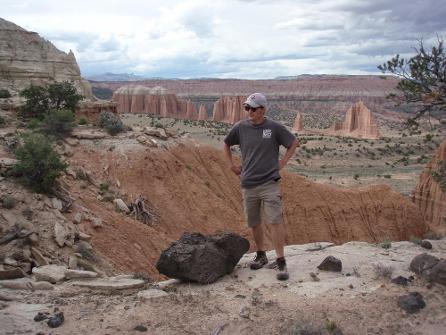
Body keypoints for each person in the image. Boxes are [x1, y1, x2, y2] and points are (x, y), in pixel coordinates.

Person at [223, 93, 299, 280]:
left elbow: (293, 143)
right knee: (254, 221)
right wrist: (231, 165)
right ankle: (261, 255)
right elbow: (226, 143)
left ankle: (281, 261)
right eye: (247, 108)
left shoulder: (273, 128)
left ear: (262, 110)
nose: (249, 111)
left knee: (274, 220)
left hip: (269, 183)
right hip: (248, 183)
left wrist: (282, 164)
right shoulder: (240, 128)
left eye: (253, 108)